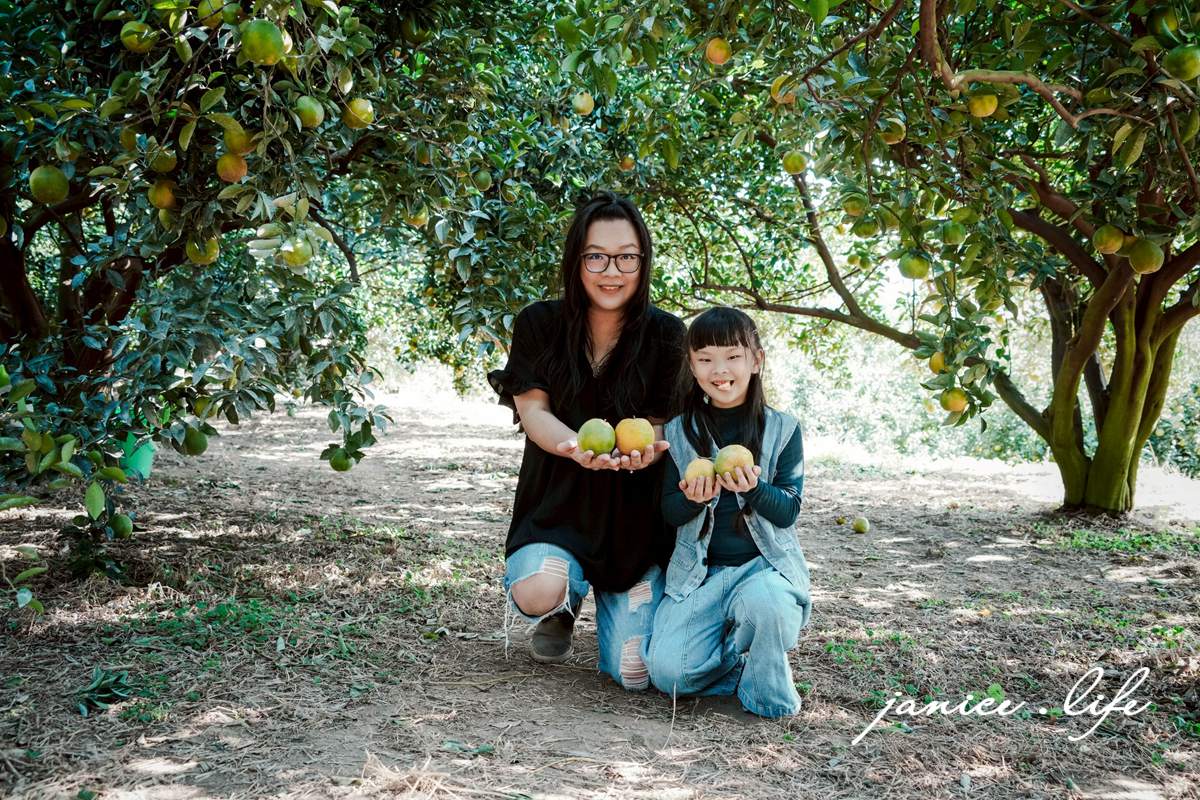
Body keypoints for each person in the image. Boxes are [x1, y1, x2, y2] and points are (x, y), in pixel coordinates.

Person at [486, 191, 687, 690]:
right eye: (596, 256)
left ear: (643, 261)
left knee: (634, 675)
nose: (611, 270)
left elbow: (666, 424)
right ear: (577, 259)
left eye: (626, 257)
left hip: (634, 521)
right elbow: (532, 410)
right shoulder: (539, 323)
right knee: (538, 591)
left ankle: (618, 599)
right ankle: (565, 600)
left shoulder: (667, 334)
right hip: (557, 502)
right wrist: (575, 448)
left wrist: (646, 448)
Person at [646, 306, 812, 717]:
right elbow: (671, 511)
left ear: (756, 360)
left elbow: (789, 510)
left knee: (768, 606)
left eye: (732, 356)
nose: (720, 369)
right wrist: (694, 498)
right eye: (705, 359)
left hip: (762, 570)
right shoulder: (680, 431)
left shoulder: (783, 428)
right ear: (692, 366)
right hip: (700, 574)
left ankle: (766, 693)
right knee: (668, 675)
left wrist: (754, 489)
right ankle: (739, 662)